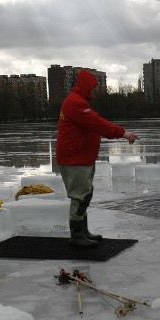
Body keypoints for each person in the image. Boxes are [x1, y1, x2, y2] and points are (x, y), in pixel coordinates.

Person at [56, 69, 138, 247]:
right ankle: (77, 235)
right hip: (74, 159)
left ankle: (83, 231)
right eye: (93, 87)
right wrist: (123, 133)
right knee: (80, 195)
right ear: (86, 86)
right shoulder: (75, 103)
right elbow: (97, 123)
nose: (95, 90)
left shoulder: (78, 101)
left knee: (84, 194)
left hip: (80, 157)